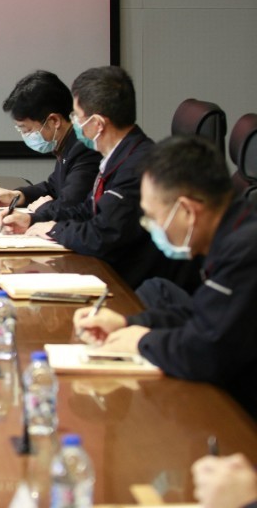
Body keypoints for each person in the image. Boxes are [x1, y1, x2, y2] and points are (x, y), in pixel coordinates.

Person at [73, 135, 257, 418]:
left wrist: (141, 342)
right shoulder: (233, 229)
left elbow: (206, 352)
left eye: (152, 217)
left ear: (187, 211)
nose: (151, 227)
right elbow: (202, 314)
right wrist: (128, 323)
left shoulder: (244, 251)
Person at [0, 65, 193, 290]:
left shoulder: (136, 166)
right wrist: (33, 220)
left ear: (97, 124)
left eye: (77, 116)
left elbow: (101, 234)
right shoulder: (118, 156)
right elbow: (87, 209)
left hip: (128, 285)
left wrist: (53, 229)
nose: (73, 123)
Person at [0, 70, 100, 221]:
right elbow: (53, 188)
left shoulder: (84, 147)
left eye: (27, 130)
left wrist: (42, 208)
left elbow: (69, 206)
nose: (25, 136)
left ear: (54, 121)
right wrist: (16, 195)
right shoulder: (66, 143)